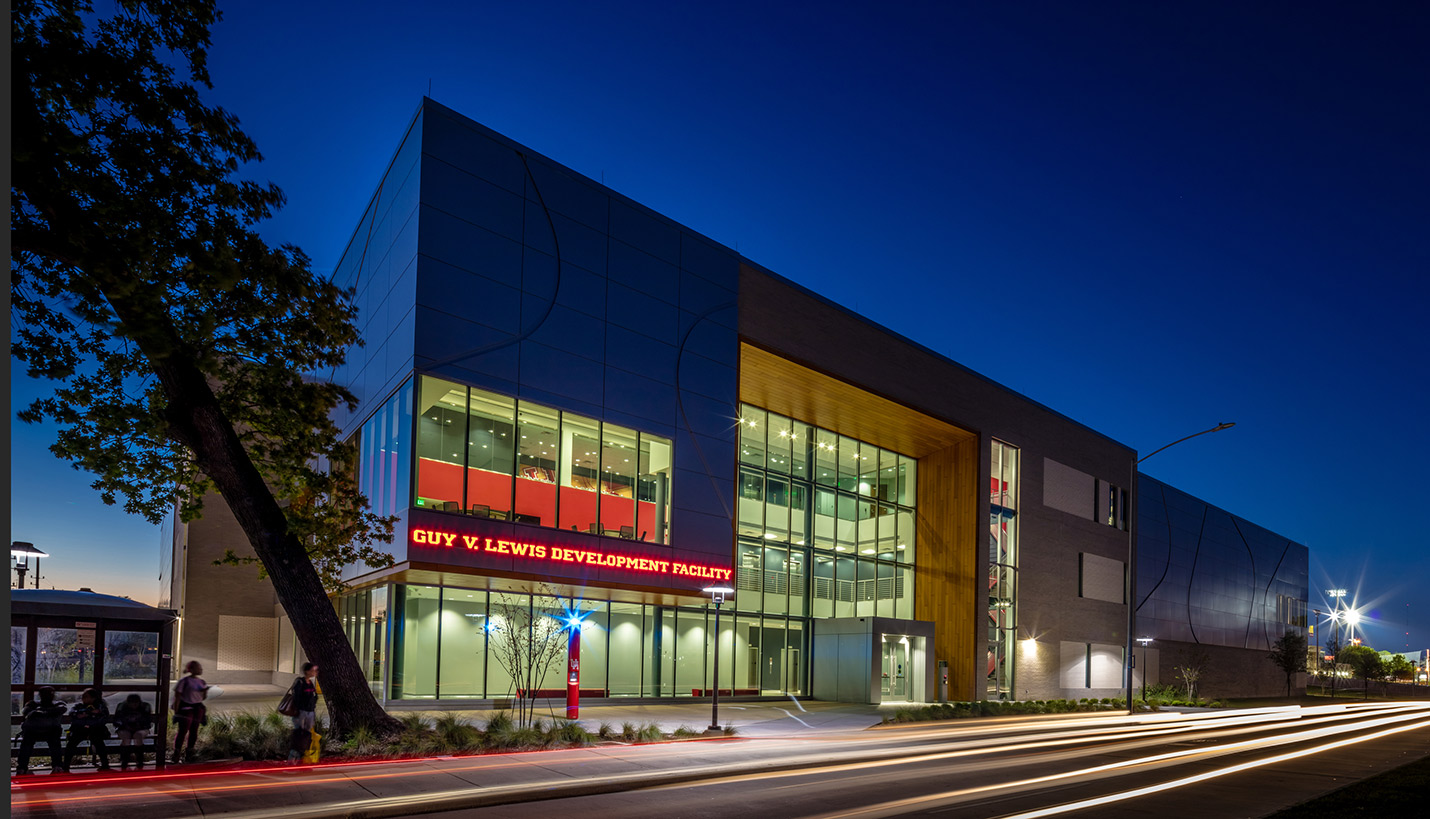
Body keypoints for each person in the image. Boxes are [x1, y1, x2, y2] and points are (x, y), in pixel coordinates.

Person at [16, 686, 67, 775]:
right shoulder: (55, 705)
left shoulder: (33, 705)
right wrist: (47, 713)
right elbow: (26, 712)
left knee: (27, 744)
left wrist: (40, 712)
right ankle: (57, 766)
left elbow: (27, 712)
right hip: (46, 731)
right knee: (54, 743)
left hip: (37, 730)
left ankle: (22, 767)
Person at [64, 688, 113, 771]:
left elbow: (104, 717)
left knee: (99, 743)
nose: (83, 698)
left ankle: (105, 764)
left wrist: (87, 715)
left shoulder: (100, 707)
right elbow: (72, 713)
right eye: (83, 696)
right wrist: (88, 713)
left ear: (93, 698)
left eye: (86, 696)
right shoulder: (78, 706)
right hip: (80, 729)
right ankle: (65, 765)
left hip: (95, 729)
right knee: (71, 745)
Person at [171, 660, 209, 763]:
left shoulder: (202, 682)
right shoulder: (184, 681)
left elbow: (203, 698)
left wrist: (204, 692)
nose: (200, 669)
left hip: (197, 708)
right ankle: (177, 752)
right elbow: (177, 697)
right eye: (198, 667)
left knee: (194, 731)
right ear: (191, 669)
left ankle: (189, 753)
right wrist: (176, 712)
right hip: (186, 709)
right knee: (183, 731)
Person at [285, 662, 320, 764]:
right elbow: (297, 698)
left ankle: (303, 760)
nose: (315, 672)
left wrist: (312, 706)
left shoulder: (310, 683)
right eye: (313, 670)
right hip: (301, 713)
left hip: (310, 713)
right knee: (299, 736)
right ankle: (292, 761)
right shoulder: (299, 682)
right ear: (307, 671)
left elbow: (314, 696)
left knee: (307, 737)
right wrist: (303, 708)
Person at [114, 694, 155, 769]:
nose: (134, 705)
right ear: (128, 703)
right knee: (126, 737)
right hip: (124, 728)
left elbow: (147, 722)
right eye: (131, 703)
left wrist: (139, 726)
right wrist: (125, 726)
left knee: (138, 736)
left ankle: (139, 759)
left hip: (141, 728)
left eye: (136, 703)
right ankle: (124, 759)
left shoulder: (145, 707)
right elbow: (117, 721)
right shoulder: (122, 707)